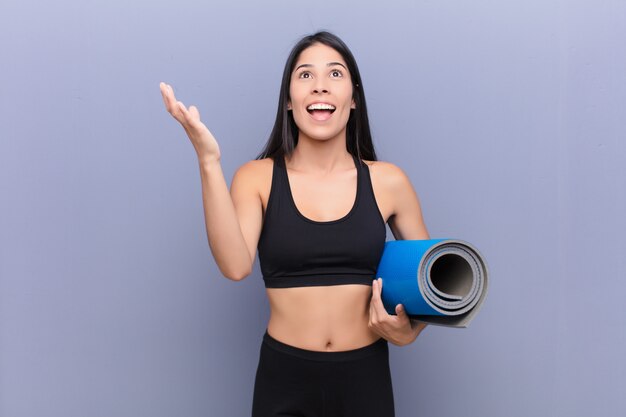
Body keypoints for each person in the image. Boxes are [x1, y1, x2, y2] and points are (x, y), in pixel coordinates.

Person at [160, 30, 429, 417]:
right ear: (289, 100)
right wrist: (208, 161)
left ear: (354, 98)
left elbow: (430, 288)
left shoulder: (390, 181)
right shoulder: (257, 177)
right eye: (305, 76)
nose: (320, 86)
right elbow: (235, 266)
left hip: (365, 377)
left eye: (335, 74)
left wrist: (410, 332)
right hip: (284, 378)